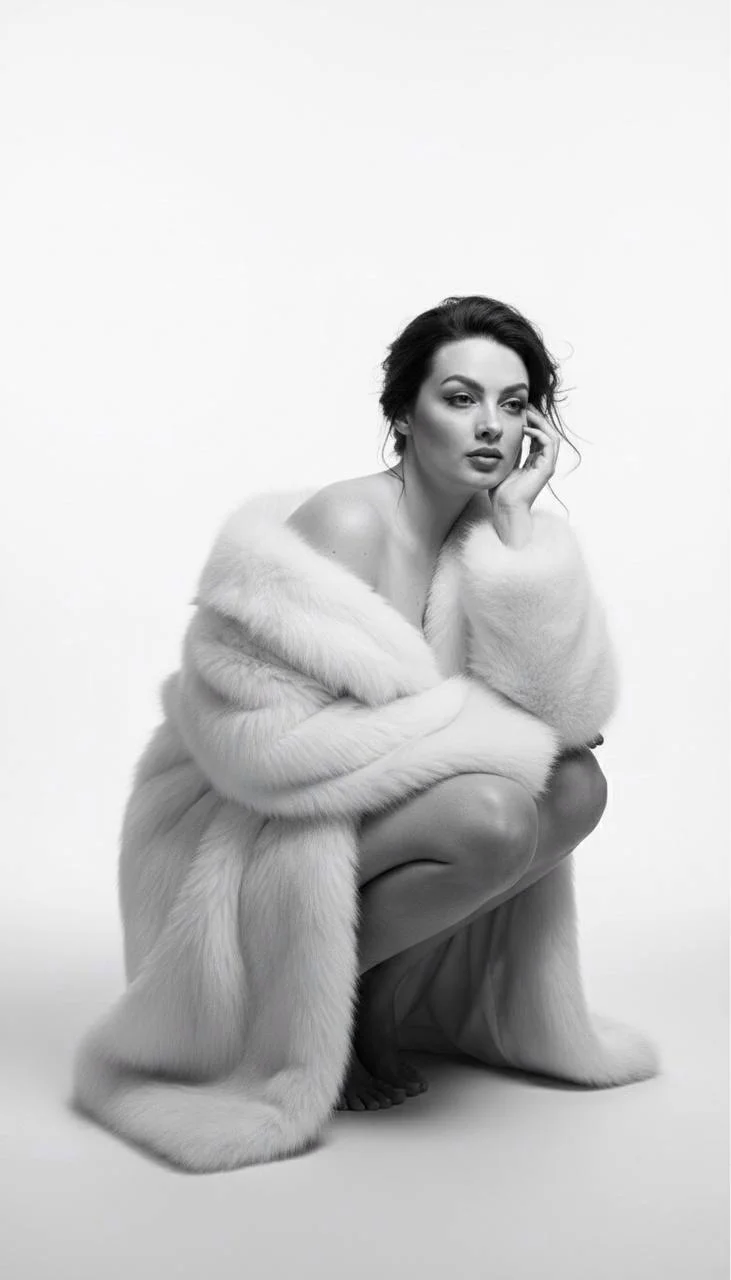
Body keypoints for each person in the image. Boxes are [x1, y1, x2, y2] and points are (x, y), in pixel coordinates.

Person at [285, 294, 608, 1110]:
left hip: (390, 801)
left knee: (575, 786)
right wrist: (504, 736)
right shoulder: (350, 519)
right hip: (276, 821)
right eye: (460, 399)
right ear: (403, 412)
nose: (491, 426)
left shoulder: (484, 535)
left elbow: (556, 715)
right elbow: (309, 744)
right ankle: (302, 999)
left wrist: (514, 524)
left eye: (513, 404)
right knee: (494, 815)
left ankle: (375, 989)